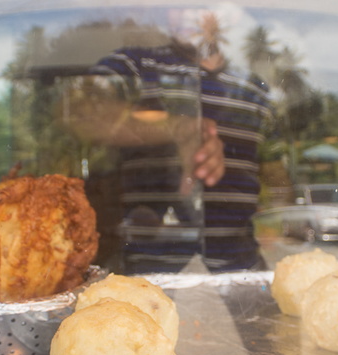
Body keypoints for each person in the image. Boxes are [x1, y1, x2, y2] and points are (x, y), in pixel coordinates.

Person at [87, 11, 273, 274]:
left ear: (226, 15)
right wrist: (177, 127)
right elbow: (82, 110)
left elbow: (270, 173)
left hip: (239, 256)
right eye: (177, 5)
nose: (187, 12)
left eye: (199, 5)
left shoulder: (253, 88)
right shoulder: (135, 65)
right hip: (144, 259)